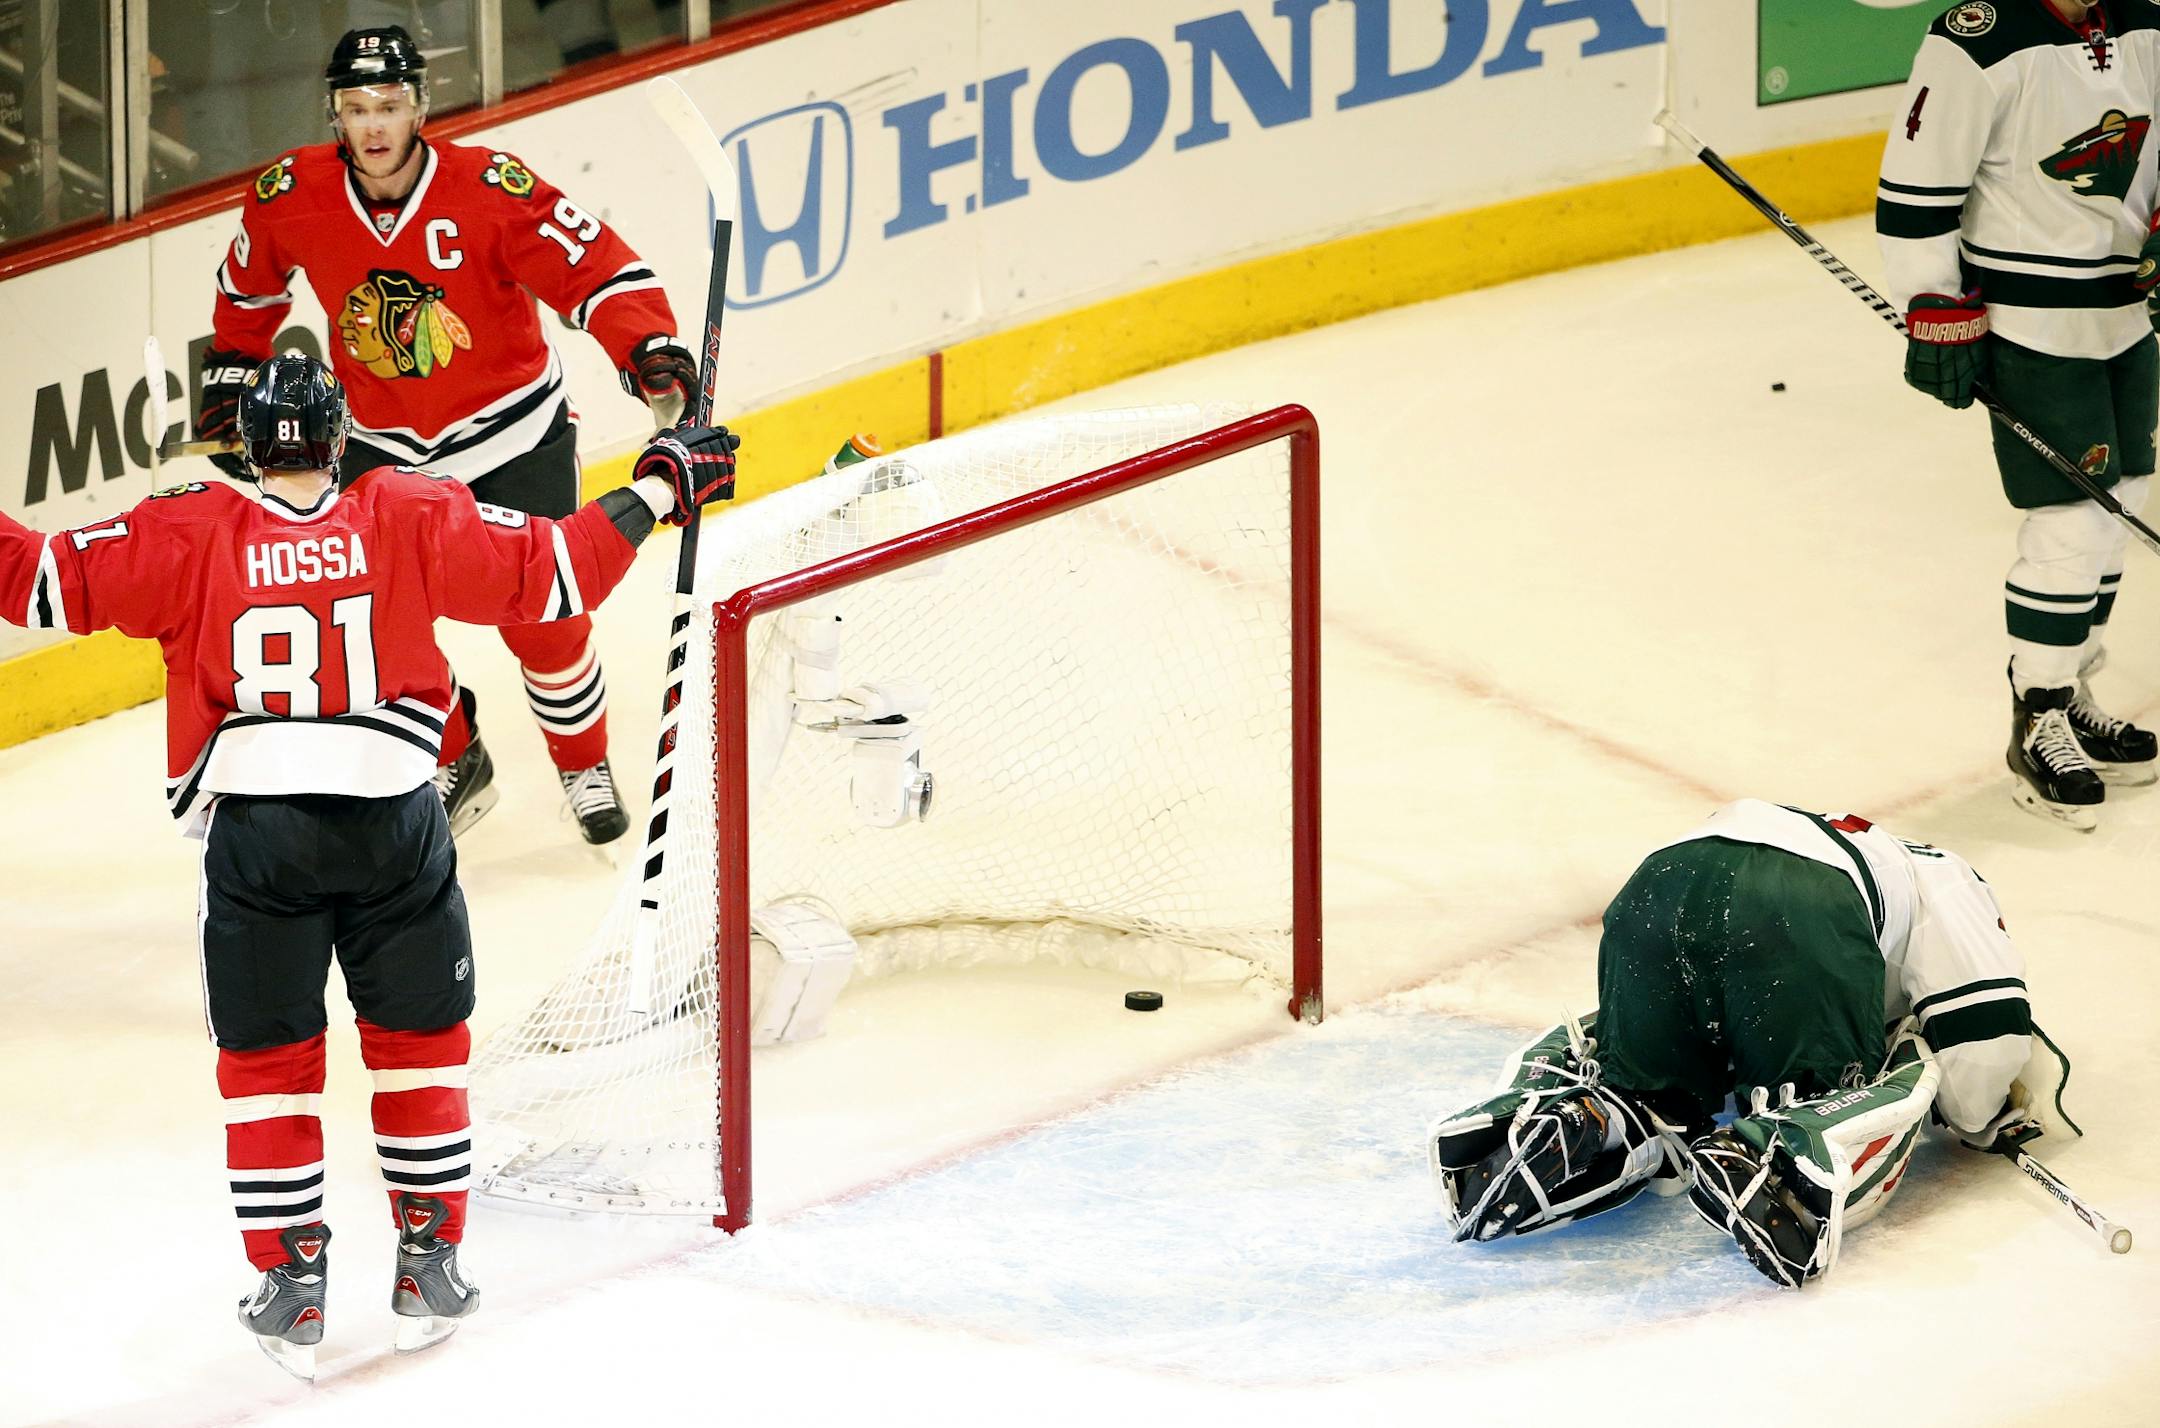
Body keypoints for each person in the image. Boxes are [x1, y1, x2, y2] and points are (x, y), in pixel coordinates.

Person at [0, 355, 739, 1377]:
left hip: (259, 840)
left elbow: (32, 580)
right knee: (422, 1046)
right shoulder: (405, 509)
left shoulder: (187, 526)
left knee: (266, 1067)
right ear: (343, 441)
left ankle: (292, 1286)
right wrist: (663, 478)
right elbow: (556, 573)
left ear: (247, 445)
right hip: (396, 822)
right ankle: (427, 1264)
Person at [195, 24, 698, 845]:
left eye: (389, 106)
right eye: (356, 109)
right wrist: (231, 373)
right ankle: (458, 755)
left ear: (420, 106)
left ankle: (582, 763)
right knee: (371, 620)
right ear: (336, 114)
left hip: (511, 435)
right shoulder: (289, 192)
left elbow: (597, 268)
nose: (374, 126)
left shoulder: (489, 187)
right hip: (382, 450)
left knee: (546, 617)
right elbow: (247, 293)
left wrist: (645, 346)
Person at [1429, 799, 2072, 1288]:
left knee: (1650, 1082)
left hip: (1660, 882)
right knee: (1842, 1092)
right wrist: (1983, 1117)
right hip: (1800, 906)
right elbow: (1984, 1030)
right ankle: (1769, 1152)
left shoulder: (1877, 851)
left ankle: (1587, 1124)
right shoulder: (1953, 880)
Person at [1878, 0, 2160, 831]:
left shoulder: (2145, 18)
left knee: (2129, 496)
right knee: (2075, 516)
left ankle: (2070, 691)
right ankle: (2036, 714)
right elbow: (1915, 191)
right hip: (2030, 322)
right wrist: (1932, 302)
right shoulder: (1976, 39)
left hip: (2128, 313)